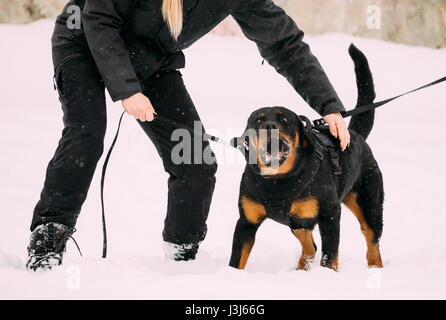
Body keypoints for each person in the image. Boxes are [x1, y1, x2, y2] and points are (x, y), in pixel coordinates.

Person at [26, 0, 351, 271]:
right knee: (87, 133)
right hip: (83, 40)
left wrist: (328, 105)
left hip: (150, 61)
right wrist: (126, 89)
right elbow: (99, 16)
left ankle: (181, 257)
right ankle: (48, 237)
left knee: (195, 158)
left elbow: (284, 43)